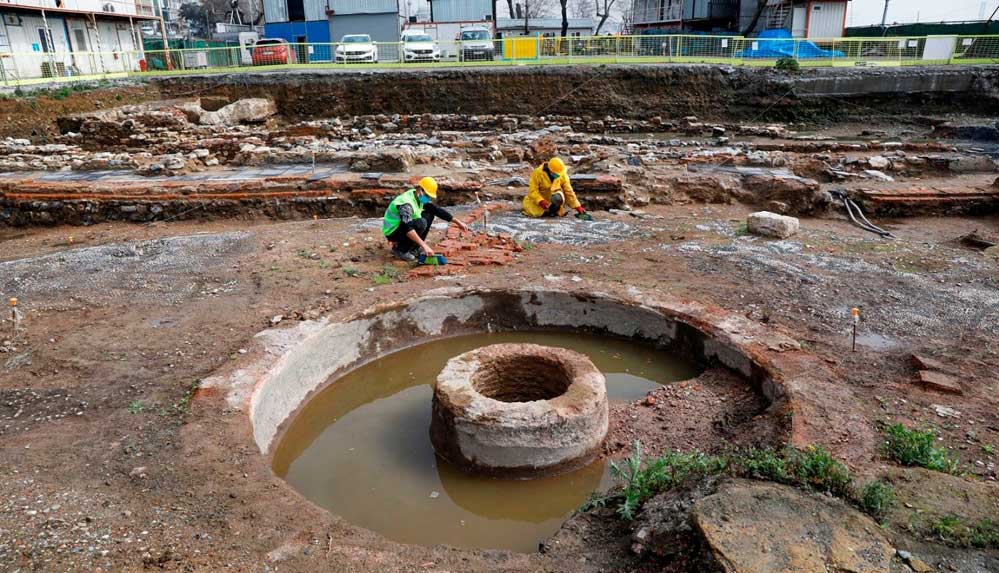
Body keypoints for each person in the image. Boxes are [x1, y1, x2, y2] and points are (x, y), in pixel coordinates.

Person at [382, 176, 469, 262]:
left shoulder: (418, 196)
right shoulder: (406, 204)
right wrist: (425, 246)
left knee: (429, 214)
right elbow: (407, 228)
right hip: (392, 231)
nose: (428, 198)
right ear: (420, 189)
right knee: (421, 223)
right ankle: (401, 250)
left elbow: (436, 210)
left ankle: (414, 248)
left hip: (402, 227)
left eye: (429, 196)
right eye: (427, 195)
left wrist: (458, 222)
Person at [522, 157, 592, 220]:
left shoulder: (562, 174)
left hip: (553, 197)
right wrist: (540, 200)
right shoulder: (538, 173)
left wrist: (577, 206)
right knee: (536, 213)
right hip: (539, 198)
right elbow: (532, 190)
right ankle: (545, 211)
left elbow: (569, 192)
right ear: (550, 170)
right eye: (555, 173)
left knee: (557, 198)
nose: (557, 175)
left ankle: (552, 211)